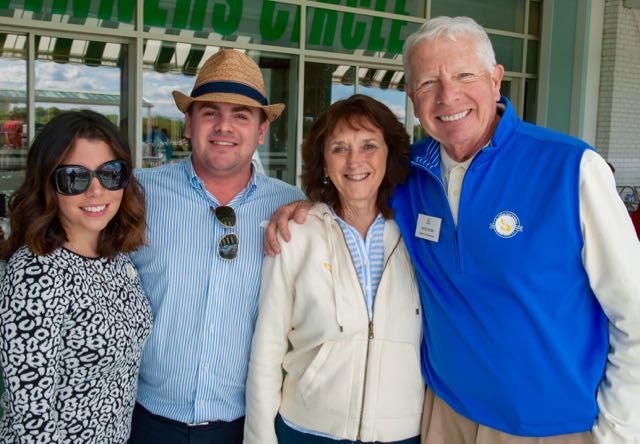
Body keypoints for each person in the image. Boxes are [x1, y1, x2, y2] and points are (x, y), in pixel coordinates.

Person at [265, 16, 640, 444]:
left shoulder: (571, 168)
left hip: (553, 430)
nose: (448, 96)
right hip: (443, 418)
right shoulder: (407, 174)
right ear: (411, 97)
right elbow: (352, 187)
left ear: (496, 79)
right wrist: (306, 207)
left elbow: (633, 311)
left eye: (464, 75)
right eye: (428, 83)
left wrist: (619, 431)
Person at [127, 49, 304, 444]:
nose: (224, 127)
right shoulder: (137, 194)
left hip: (244, 425)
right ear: (189, 123)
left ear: (261, 130)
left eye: (241, 116)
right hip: (144, 420)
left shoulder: (293, 208)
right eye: (210, 113)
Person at [244, 94, 423, 444]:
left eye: (369, 145)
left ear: (389, 154)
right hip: (308, 430)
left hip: (401, 433)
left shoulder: (419, 234)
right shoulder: (295, 234)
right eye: (339, 148)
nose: (355, 161)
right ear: (324, 162)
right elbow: (267, 349)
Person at [0, 110, 152, 443]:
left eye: (110, 173)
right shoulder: (35, 273)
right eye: (74, 177)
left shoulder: (116, 256)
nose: (96, 191)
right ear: (47, 184)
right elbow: (32, 417)